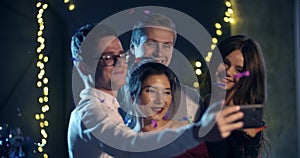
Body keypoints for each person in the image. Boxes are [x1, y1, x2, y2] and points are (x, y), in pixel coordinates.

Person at [67, 23, 244, 158]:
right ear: (83, 68)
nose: (119, 61)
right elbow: (131, 146)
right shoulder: (91, 112)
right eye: (107, 57)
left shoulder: (108, 106)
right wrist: (198, 132)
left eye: (120, 54)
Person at [119, 13, 203, 128]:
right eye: (151, 44)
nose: (159, 53)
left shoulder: (189, 99)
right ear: (133, 47)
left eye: (166, 45)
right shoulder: (115, 93)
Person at [203, 35, 270, 157]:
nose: (228, 72)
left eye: (239, 70)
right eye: (225, 63)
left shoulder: (246, 121)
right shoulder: (203, 104)